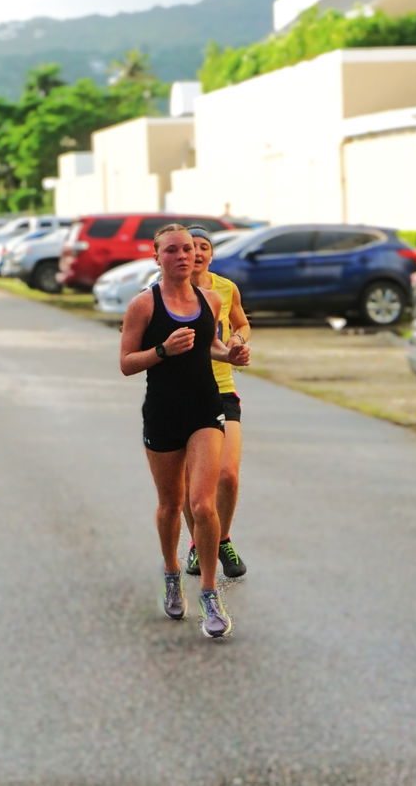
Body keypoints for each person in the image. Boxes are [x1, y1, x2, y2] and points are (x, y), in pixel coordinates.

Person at [119, 223, 250, 638]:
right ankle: (172, 573)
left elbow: (209, 346)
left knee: (202, 504)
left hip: (205, 409)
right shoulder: (143, 305)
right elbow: (126, 362)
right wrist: (162, 351)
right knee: (170, 504)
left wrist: (231, 352)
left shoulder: (211, 299)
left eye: (189, 249)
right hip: (162, 412)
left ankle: (210, 592)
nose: (183, 256)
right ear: (157, 257)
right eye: (172, 250)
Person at [182, 226, 251, 580]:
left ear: (211, 254)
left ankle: (220, 538)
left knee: (227, 475)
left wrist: (238, 339)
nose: (196, 253)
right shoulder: (166, 291)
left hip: (222, 388)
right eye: (190, 247)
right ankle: (197, 542)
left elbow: (241, 321)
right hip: (181, 390)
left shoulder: (226, 288)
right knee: (190, 480)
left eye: (203, 247)